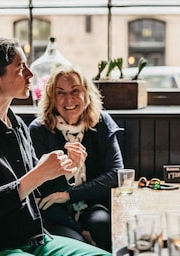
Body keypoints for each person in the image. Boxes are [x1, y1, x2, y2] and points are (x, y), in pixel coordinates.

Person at [0, 37, 111, 255]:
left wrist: (66, 169)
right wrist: (38, 174)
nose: (30, 74)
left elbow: (37, 188)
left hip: (34, 239)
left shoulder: (17, 124)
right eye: (21, 68)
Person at [29, 66, 124, 252]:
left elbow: (116, 174)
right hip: (53, 211)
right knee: (75, 239)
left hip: (92, 203)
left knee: (101, 224)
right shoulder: (38, 130)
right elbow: (41, 187)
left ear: (86, 94)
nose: (69, 99)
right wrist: (67, 172)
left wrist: (69, 195)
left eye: (75, 91)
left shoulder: (102, 122)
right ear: (51, 97)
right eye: (60, 92)